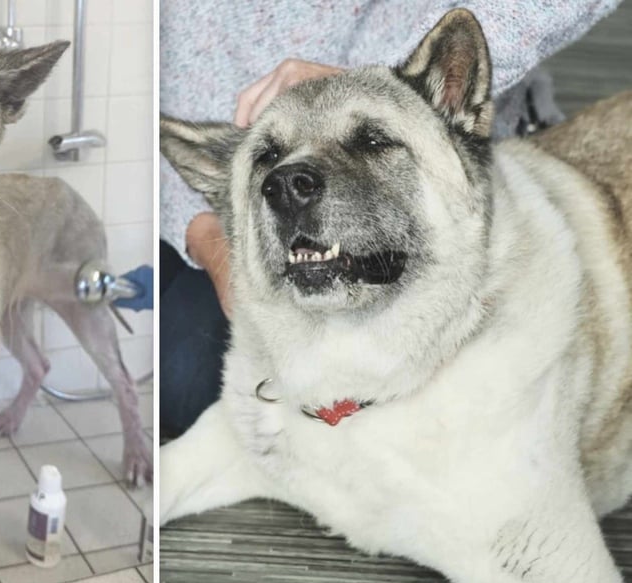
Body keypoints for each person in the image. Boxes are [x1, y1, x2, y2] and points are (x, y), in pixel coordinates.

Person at [159, 0, 621, 438]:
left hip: (435, 158)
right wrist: (205, 232)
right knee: (191, 376)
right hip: (236, 201)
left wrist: (388, 90)